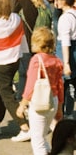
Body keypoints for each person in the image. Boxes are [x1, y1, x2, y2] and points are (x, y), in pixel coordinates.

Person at [0, 0, 30, 140]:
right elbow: (21, 36)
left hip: (1, 62)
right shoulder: (16, 18)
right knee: (0, 91)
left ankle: (24, 127)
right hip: (14, 59)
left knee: (7, 95)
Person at [18, 27, 64, 155]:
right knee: (43, 133)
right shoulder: (56, 61)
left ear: (39, 44)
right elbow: (60, 85)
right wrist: (59, 106)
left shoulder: (36, 60)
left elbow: (31, 85)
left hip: (39, 101)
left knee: (37, 139)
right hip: (53, 100)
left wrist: (22, 104)